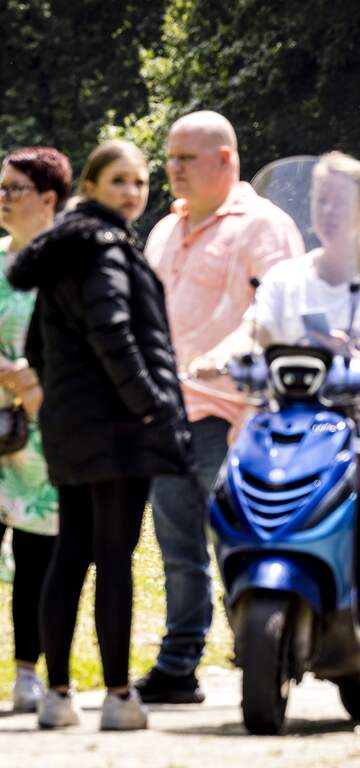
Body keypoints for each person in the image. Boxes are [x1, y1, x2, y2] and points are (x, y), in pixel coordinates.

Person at [193, 151, 360, 734]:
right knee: (230, 495)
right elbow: (254, 327)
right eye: (318, 199)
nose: (326, 210)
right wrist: (223, 355)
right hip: (299, 420)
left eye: (338, 199)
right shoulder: (290, 277)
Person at [7, 140, 194, 730]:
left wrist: (63, 399)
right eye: (118, 181)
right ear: (89, 187)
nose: (132, 193)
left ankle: (58, 696)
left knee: (70, 554)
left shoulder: (62, 248)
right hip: (117, 429)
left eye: (139, 182)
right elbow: (114, 330)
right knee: (114, 558)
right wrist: (151, 406)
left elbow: (39, 343)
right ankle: (117, 697)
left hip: (67, 427)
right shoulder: (106, 245)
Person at [137, 111, 304, 704]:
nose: (172, 169)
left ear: (226, 160)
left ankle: (257, 653)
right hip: (165, 412)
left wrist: (225, 357)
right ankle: (180, 665)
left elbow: (276, 314)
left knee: (237, 542)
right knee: (177, 547)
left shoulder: (263, 226)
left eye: (187, 158)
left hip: (233, 415)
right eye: (171, 157)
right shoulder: (163, 229)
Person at [0, 147, 71, 712]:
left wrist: (38, 380)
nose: (2, 198)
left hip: (46, 435)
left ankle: (30, 674)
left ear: (49, 198)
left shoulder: (69, 264)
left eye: (14, 188)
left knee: (36, 557)